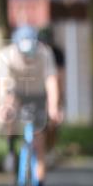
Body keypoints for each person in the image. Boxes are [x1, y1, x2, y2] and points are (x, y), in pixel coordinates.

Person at [0, 25, 63, 186]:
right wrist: (3, 106)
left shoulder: (45, 54)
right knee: (7, 111)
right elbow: (3, 85)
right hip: (16, 93)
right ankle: (10, 147)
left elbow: (51, 83)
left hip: (38, 96)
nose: (27, 57)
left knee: (39, 145)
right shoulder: (6, 56)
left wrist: (54, 107)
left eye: (30, 53)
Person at [38, 26, 65, 159]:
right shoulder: (34, 53)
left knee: (53, 121)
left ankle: (51, 148)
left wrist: (58, 98)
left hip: (52, 87)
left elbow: (60, 76)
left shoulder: (57, 53)